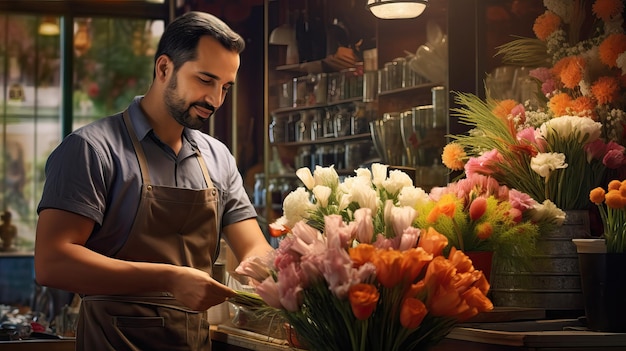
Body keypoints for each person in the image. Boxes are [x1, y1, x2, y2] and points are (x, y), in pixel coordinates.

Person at [34, 11, 274, 350]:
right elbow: (51, 262)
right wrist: (169, 278)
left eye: (226, 87)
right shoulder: (91, 149)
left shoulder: (218, 157)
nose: (216, 100)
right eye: (206, 80)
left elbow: (254, 250)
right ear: (164, 69)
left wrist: (303, 275)